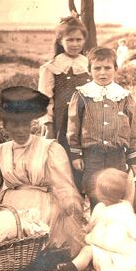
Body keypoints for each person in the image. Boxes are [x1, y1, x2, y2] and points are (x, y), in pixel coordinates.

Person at [0, 86, 86, 259]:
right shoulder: (0, 152)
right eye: (15, 125)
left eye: (25, 124)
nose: (21, 130)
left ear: (31, 123)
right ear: (6, 125)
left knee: (7, 229)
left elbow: (65, 188)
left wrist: (72, 212)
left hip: (40, 209)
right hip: (8, 206)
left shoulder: (50, 149)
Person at [0, 168, 136, 271]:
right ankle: (65, 265)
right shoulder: (108, 208)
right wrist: (87, 229)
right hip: (109, 249)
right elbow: (95, 224)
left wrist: (89, 237)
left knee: (87, 251)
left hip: (121, 257)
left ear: (104, 195)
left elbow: (119, 238)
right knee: (82, 248)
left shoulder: (121, 213)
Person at [67, 47, 136, 210]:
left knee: (116, 190)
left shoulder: (124, 96)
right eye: (97, 68)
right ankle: (97, 223)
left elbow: (133, 128)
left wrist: (133, 158)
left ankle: (114, 227)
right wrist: (76, 154)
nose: (102, 73)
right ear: (89, 70)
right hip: (91, 156)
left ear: (115, 69)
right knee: (95, 192)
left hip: (117, 155)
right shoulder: (82, 95)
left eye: (107, 68)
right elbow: (73, 125)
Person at [38, 16, 91, 191]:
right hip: (62, 122)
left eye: (79, 39)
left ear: (84, 40)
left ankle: (82, 198)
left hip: (87, 123)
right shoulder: (51, 67)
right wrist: (48, 123)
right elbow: (44, 98)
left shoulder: (89, 65)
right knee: (61, 163)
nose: (75, 44)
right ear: (61, 41)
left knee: (85, 164)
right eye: (70, 40)